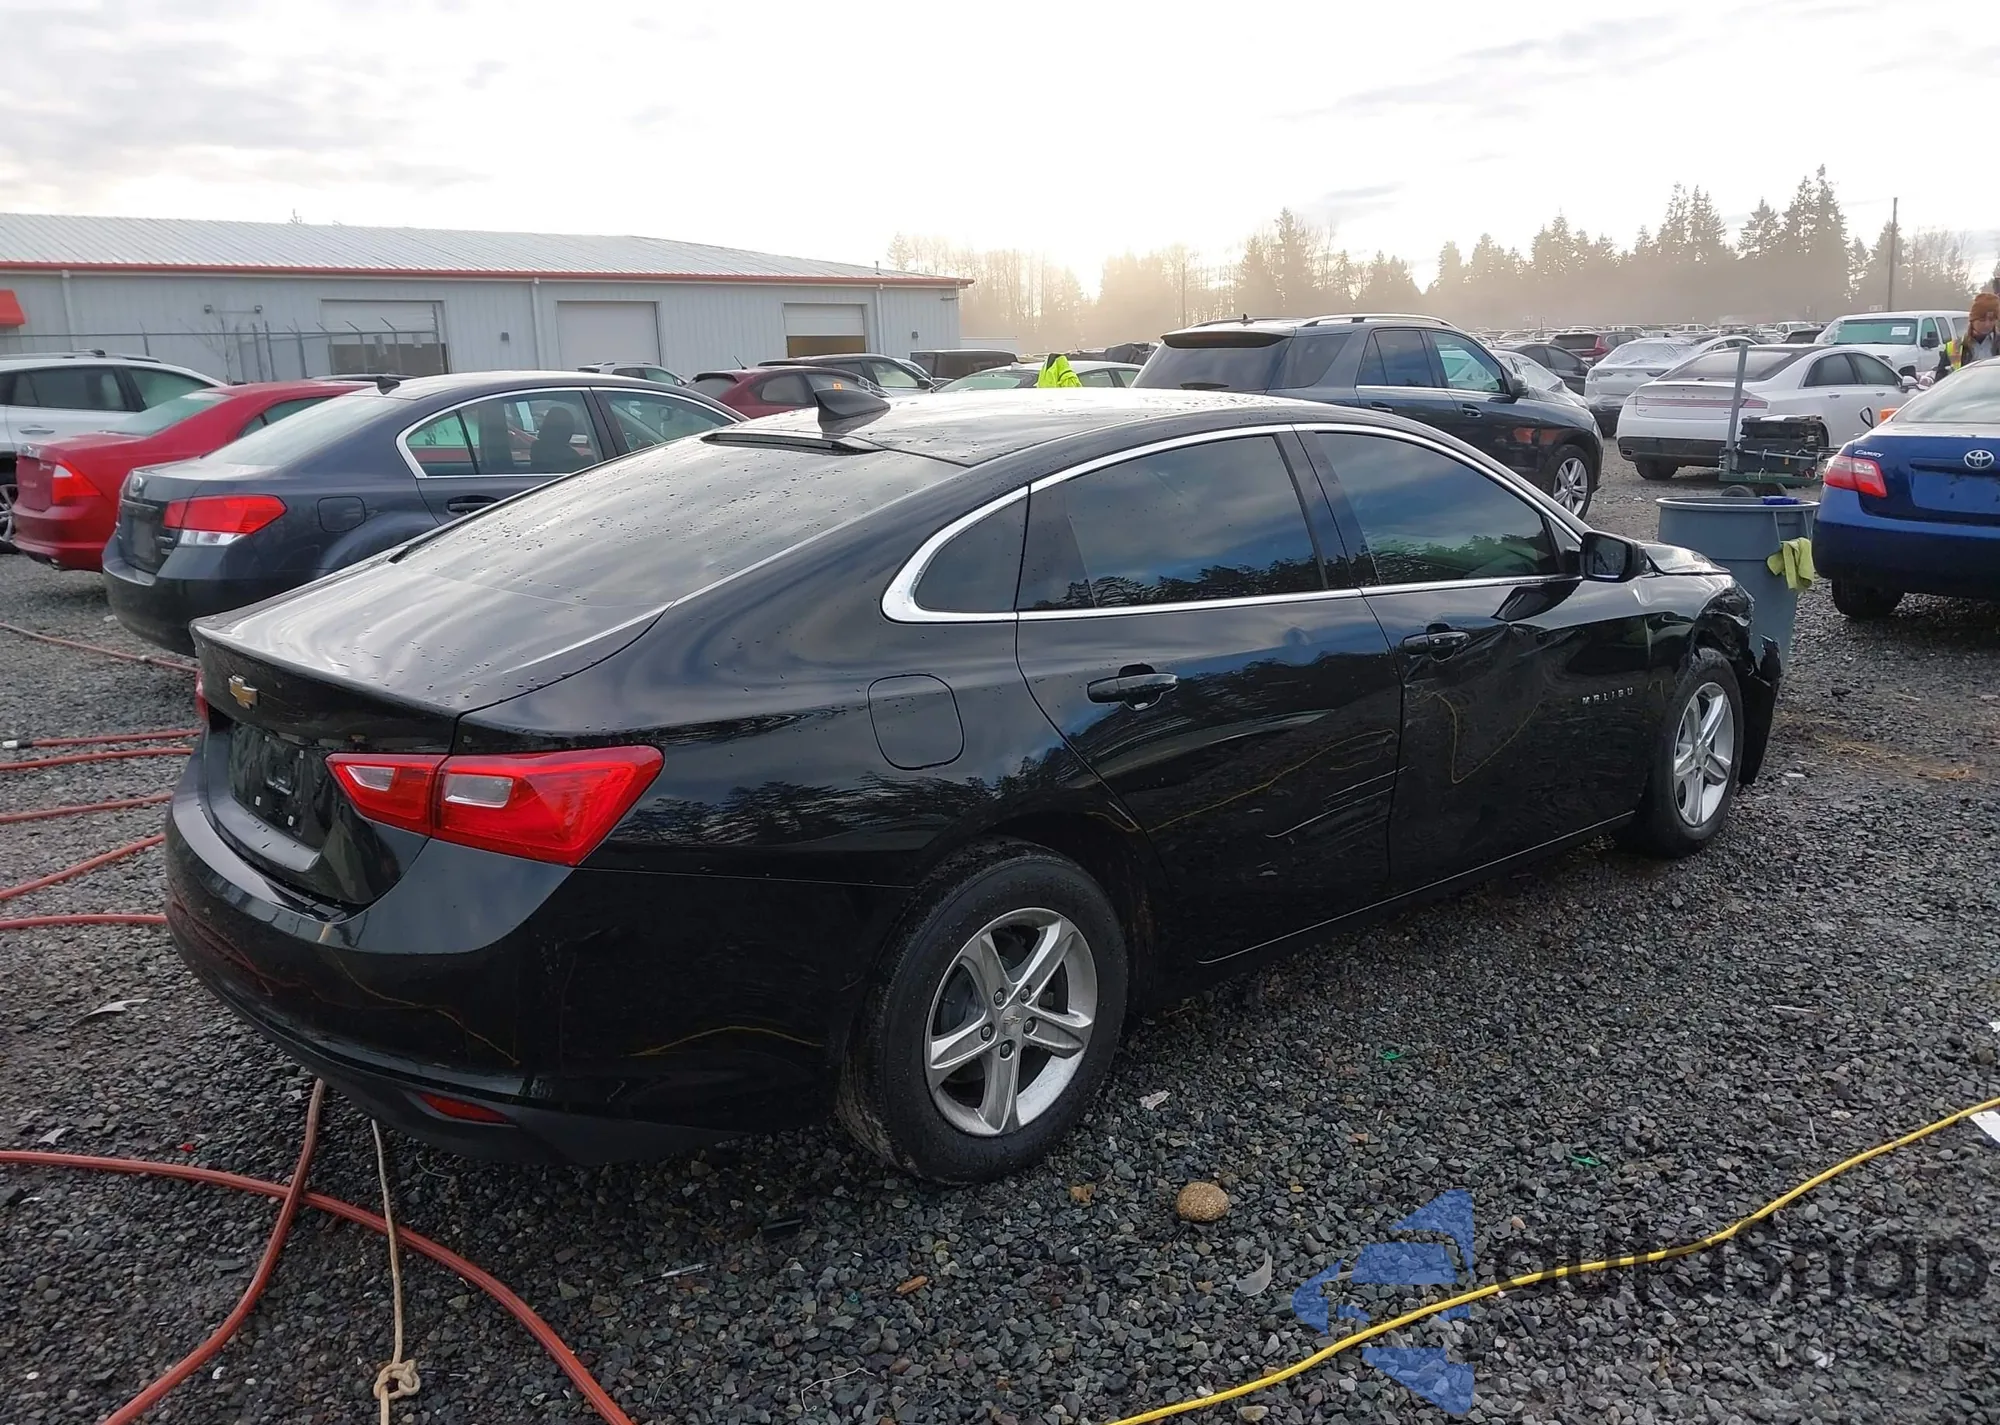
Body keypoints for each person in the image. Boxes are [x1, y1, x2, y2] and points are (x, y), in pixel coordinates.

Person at [1936, 292, 2000, 379]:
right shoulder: (1954, 348)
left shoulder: (1997, 344)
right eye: (1982, 320)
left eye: (1991, 320)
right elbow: (1940, 383)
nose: (1987, 324)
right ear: (1972, 319)